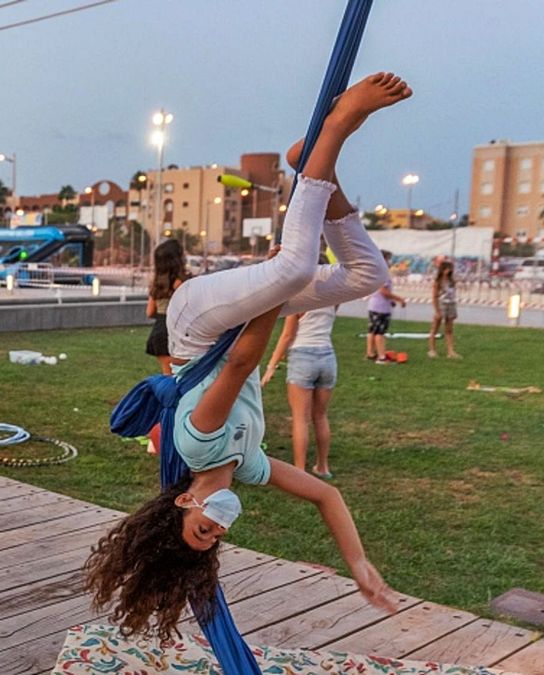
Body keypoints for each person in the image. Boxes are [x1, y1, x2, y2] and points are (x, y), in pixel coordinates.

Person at [84, 73, 409, 640]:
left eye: (202, 529)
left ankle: (336, 125)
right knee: (367, 274)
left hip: (196, 326)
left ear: (185, 502)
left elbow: (238, 364)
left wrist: (275, 290)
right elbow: (326, 495)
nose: (218, 530)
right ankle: (317, 166)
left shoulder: (196, 443)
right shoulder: (250, 465)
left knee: (294, 268)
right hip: (231, 331)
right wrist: (358, 565)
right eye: (215, 539)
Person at [262, 254, 337, 478]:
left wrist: (271, 365)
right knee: (320, 416)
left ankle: (300, 471)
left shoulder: (299, 298)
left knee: (300, 418)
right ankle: (323, 467)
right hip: (328, 356)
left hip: (303, 356)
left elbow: (287, 336)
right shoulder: (334, 297)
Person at [146, 239, 188, 375]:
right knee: (182, 377)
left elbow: (150, 312)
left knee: (168, 376)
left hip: (159, 331)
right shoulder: (181, 284)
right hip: (176, 331)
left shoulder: (156, 285)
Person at [365, 250, 406, 364]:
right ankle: (381, 357)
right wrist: (399, 299)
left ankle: (370, 353)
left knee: (372, 331)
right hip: (381, 308)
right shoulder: (383, 274)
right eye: (388, 259)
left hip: (374, 306)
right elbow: (384, 291)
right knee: (380, 333)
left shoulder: (376, 272)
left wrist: (391, 301)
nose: (390, 262)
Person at [428, 260, 460, 359]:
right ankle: (432, 350)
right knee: (435, 328)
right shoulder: (438, 282)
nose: (450, 271)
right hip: (442, 305)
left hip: (451, 304)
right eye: (447, 269)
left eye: (451, 269)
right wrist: (437, 311)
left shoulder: (452, 281)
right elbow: (434, 297)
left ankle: (450, 351)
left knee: (449, 330)